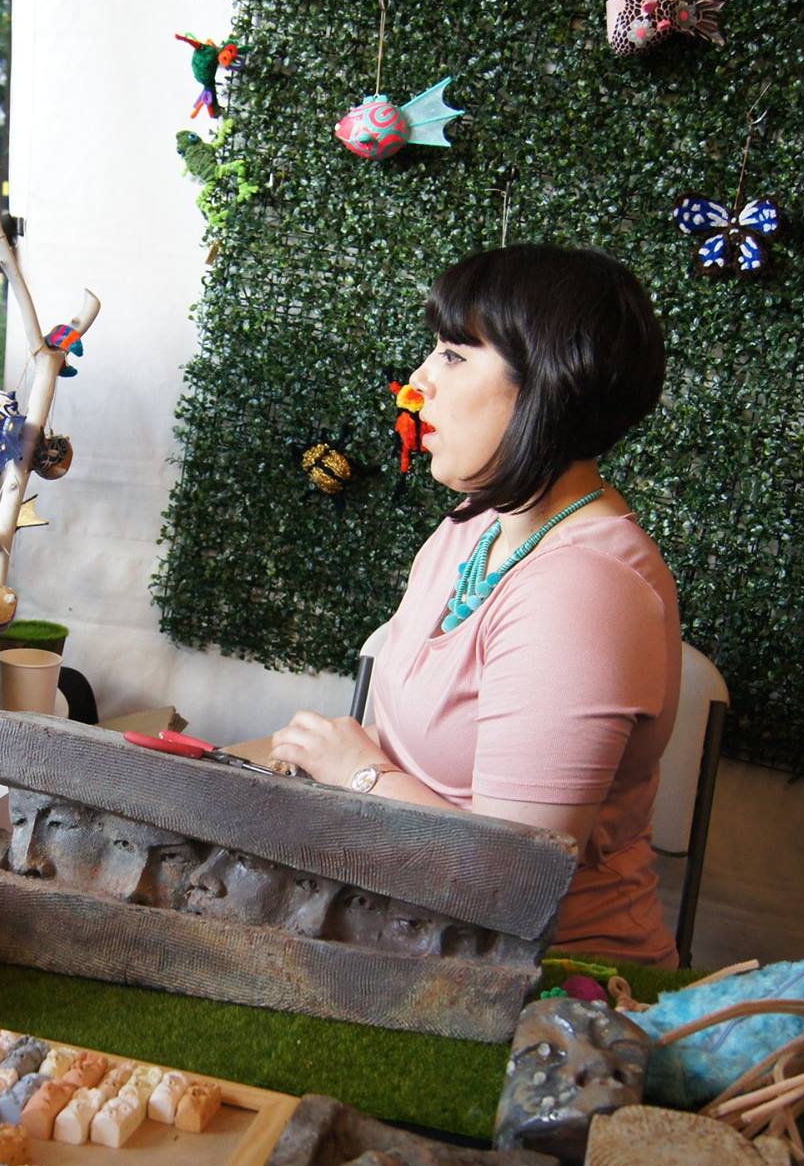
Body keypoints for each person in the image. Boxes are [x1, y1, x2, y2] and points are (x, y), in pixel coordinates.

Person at [268, 244, 683, 966]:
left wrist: (358, 774)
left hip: (542, 988)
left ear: (548, 384)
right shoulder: (474, 526)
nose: (417, 384)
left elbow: (513, 878)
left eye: (455, 356)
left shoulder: (582, 591)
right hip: (411, 940)